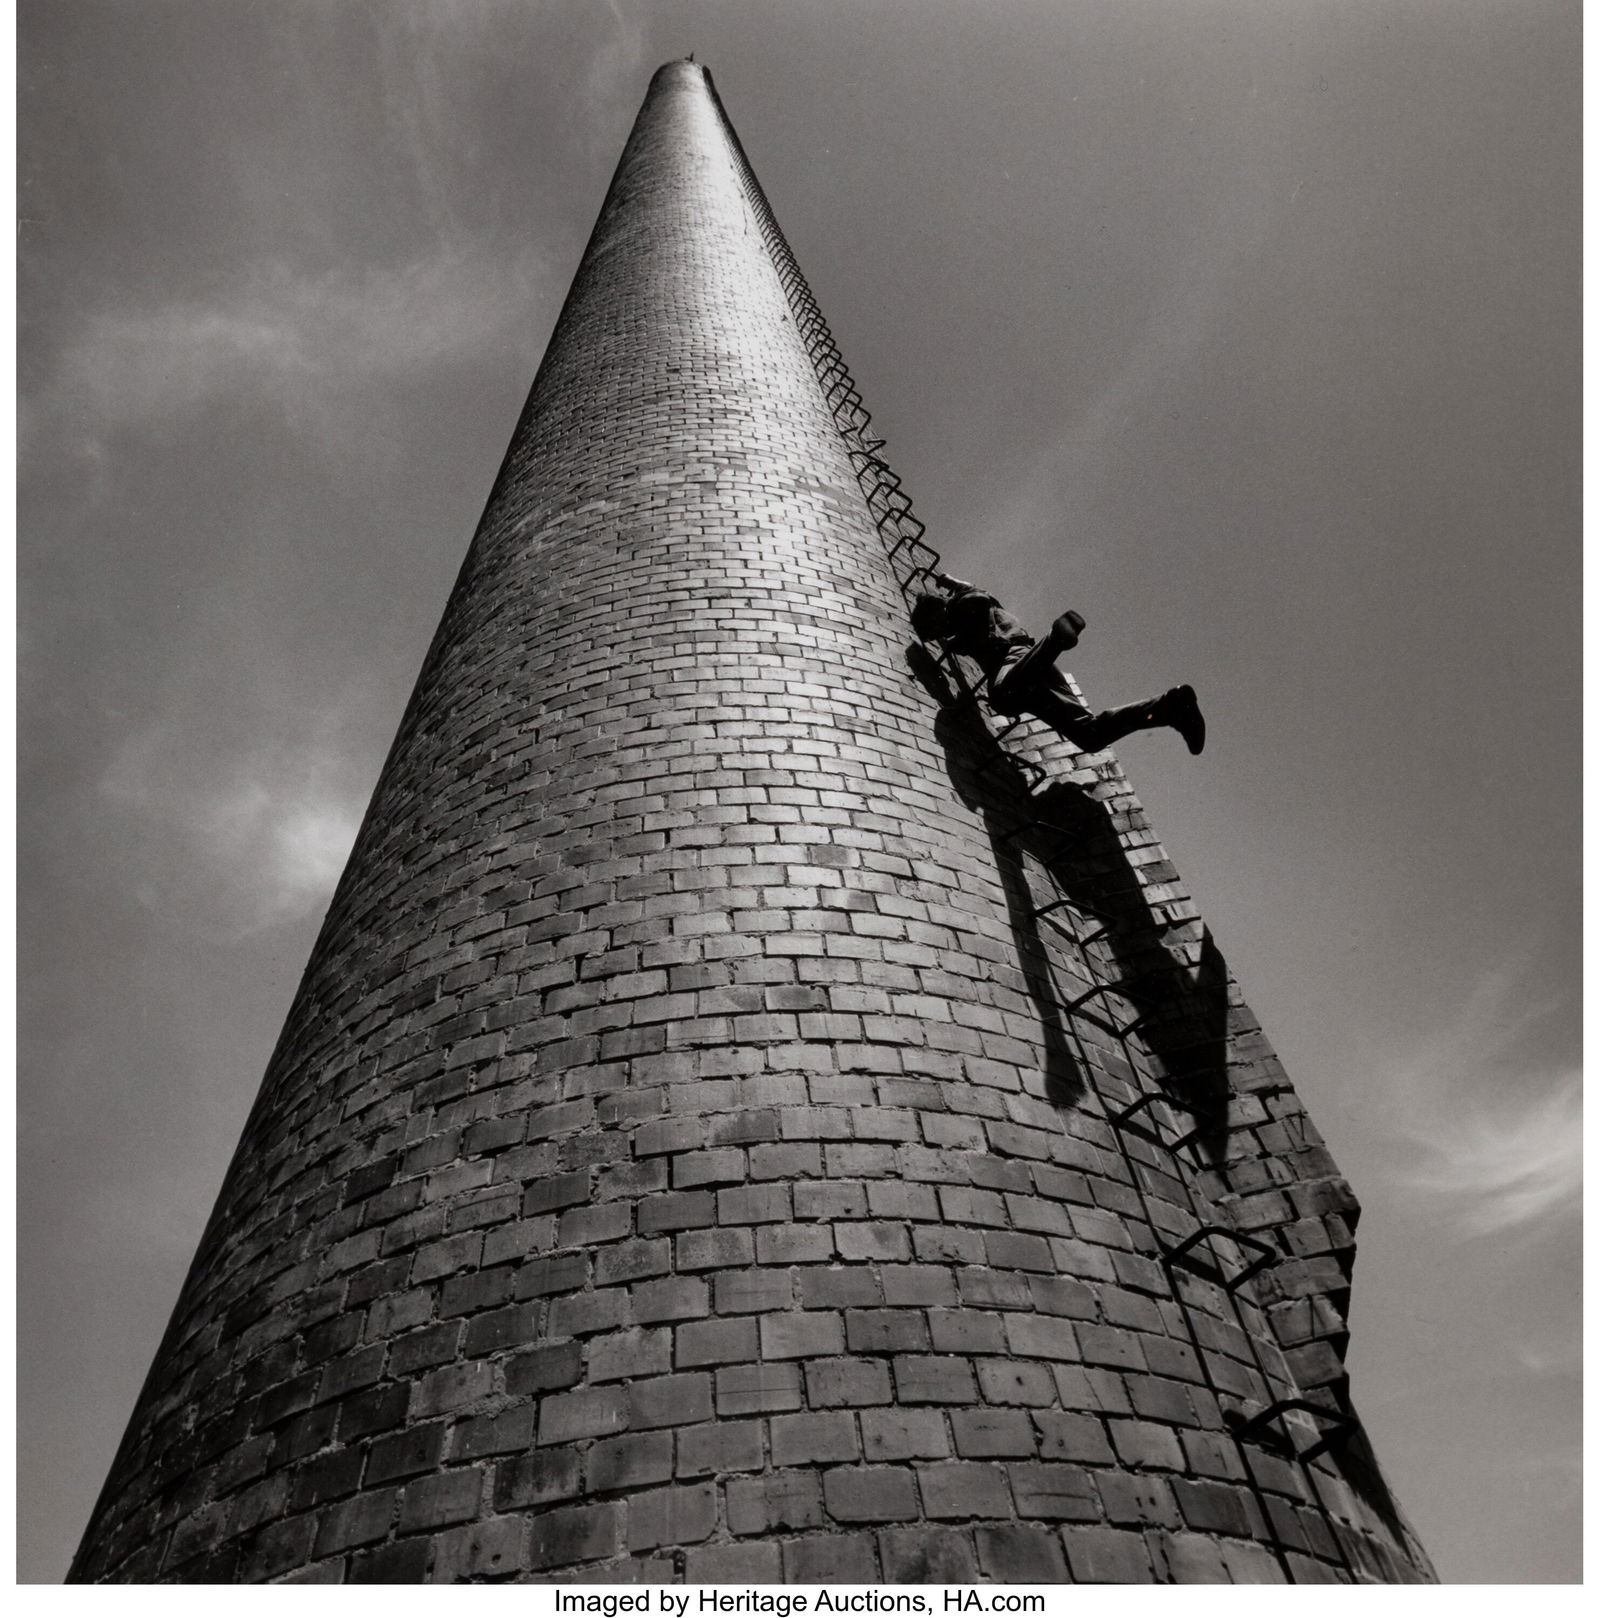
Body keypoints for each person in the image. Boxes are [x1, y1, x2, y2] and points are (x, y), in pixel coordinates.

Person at [910, 571, 1206, 755]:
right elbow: (976, 596)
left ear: (937, 615)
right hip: (1035, 673)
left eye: (934, 630)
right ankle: (1170, 707)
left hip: (1017, 660)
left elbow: (974, 603)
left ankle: (1055, 639)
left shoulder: (962, 608)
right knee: (1089, 736)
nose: (938, 636)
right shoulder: (971, 604)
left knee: (1001, 696)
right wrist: (951, 585)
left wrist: (952, 628)